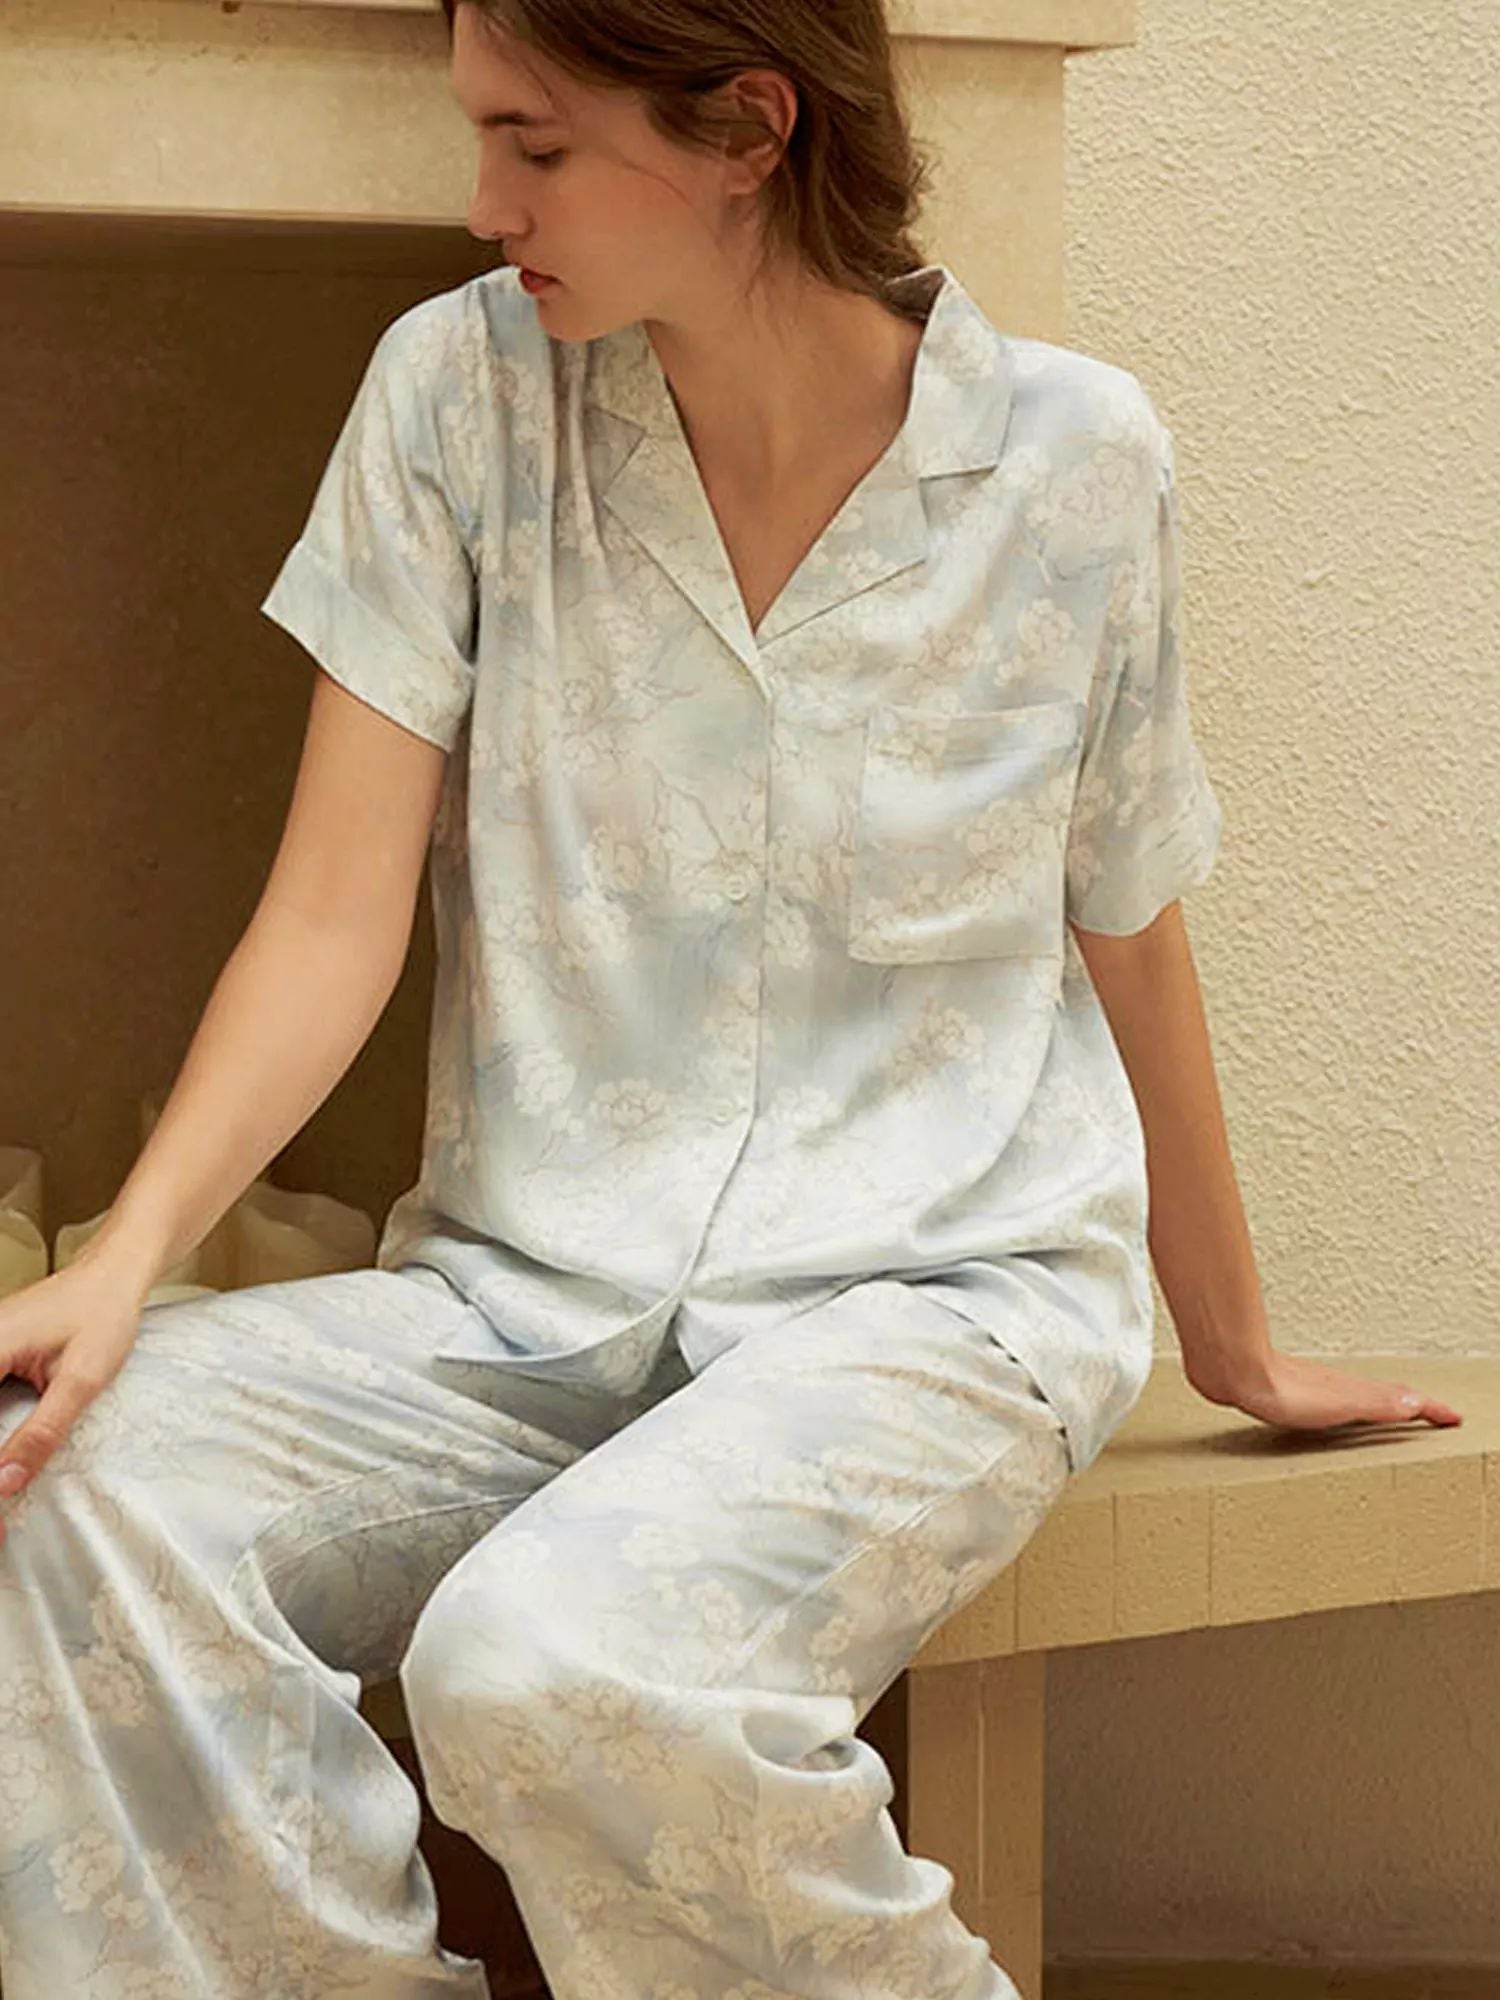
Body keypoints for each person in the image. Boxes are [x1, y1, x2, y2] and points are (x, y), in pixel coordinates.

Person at [0, 1, 1462, 1996]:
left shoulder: (1076, 462)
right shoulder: (455, 399)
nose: (482, 203)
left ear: (750, 130)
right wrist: (126, 1265)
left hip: (929, 1299)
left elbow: (1131, 916)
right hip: (526, 1296)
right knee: (60, 1484)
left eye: (534, 145)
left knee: (545, 1665)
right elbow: (331, 918)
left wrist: (1234, 1343)